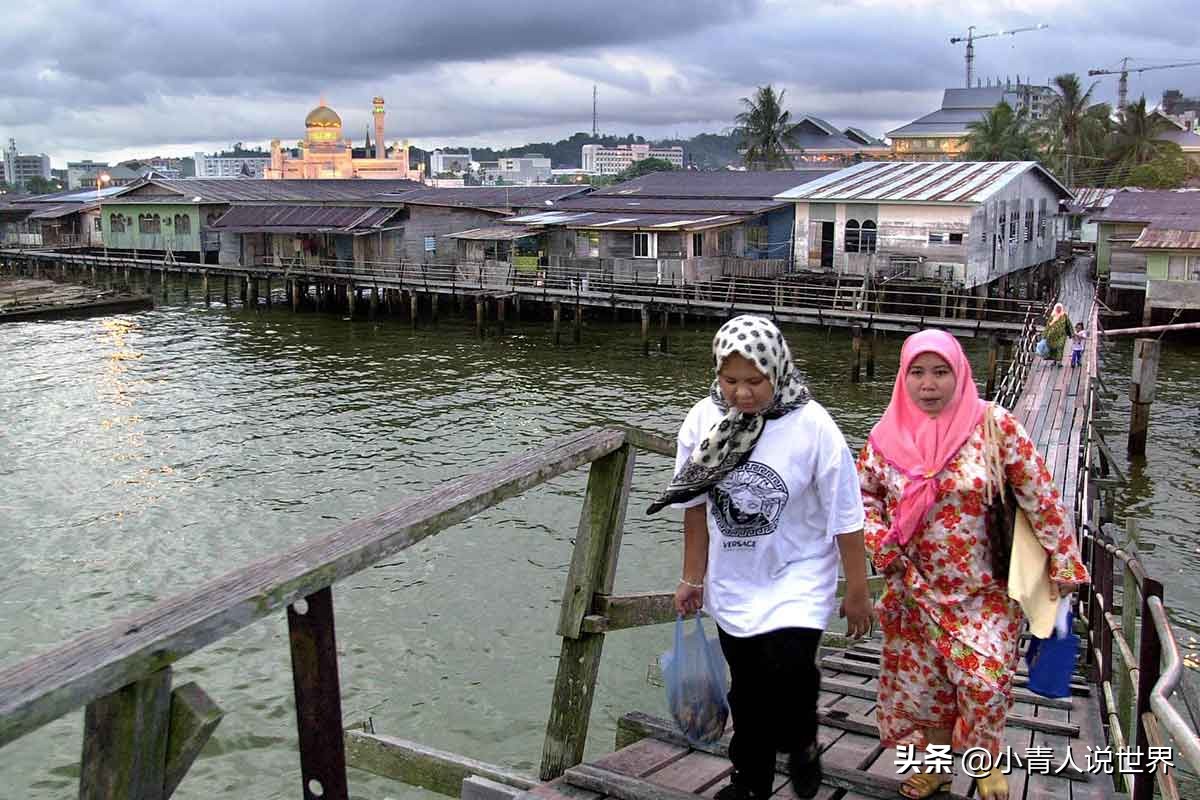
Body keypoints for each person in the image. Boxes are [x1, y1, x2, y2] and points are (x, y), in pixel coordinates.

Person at [856, 329, 1089, 800]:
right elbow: (862, 500)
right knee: (928, 690)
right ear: (903, 378)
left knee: (984, 682)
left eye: (940, 372)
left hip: (985, 592)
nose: (928, 384)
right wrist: (880, 543)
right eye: (917, 373)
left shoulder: (994, 426)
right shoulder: (885, 438)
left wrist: (1065, 562)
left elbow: (1039, 495)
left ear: (959, 373)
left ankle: (984, 763)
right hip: (915, 589)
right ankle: (940, 768)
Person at [648, 314, 871, 800]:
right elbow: (694, 508)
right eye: (730, 381)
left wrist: (857, 589)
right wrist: (692, 578)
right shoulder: (703, 421)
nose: (742, 394)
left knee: (788, 670)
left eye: (755, 381)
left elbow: (845, 514)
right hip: (736, 578)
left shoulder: (812, 426)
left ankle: (802, 739)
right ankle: (750, 780)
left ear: (778, 371)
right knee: (747, 689)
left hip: (799, 573)